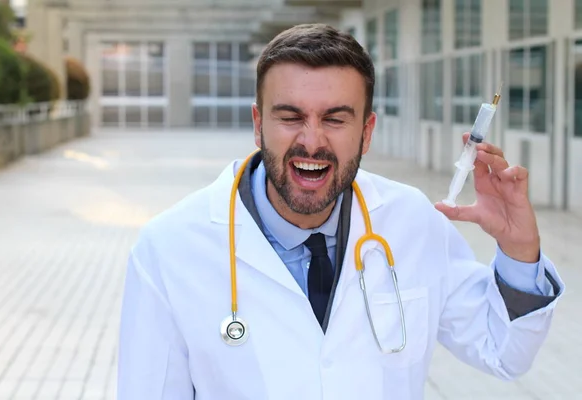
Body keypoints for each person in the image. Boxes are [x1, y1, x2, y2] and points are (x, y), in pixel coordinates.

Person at [117, 23, 565, 399]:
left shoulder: (411, 221)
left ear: (367, 132)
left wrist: (520, 248)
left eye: (335, 118)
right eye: (290, 116)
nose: (311, 141)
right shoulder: (170, 248)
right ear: (258, 125)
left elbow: (504, 353)